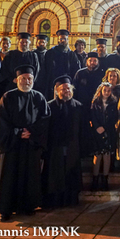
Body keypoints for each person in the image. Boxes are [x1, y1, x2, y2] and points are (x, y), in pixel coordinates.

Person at [0, 64, 50, 222]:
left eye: (29, 79)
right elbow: (1, 121)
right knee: (9, 176)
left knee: (30, 176)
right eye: (23, 79)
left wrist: (30, 132)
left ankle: (28, 206)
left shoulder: (39, 97)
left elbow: (45, 119)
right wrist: (18, 133)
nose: (27, 81)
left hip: (30, 143)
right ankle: (6, 209)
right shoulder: (7, 97)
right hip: (12, 144)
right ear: (16, 80)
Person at [41, 75, 82, 209]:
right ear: (57, 90)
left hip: (72, 147)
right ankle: (55, 200)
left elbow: (83, 129)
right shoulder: (49, 106)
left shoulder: (78, 106)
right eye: (63, 89)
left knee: (71, 172)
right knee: (55, 174)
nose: (66, 91)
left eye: (68, 88)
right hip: (55, 147)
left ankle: (70, 199)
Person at [89, 82, 119, 191]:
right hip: (97, 131)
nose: (106, 92)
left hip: (109, 131)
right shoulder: (95, 102)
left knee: (107, 155)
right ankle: (95, 179)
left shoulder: (113, 103)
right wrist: (97, 127)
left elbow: (114, 117)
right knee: (97, 155)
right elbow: (92, 116)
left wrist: (105, 127)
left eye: (109, 90)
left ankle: (105, 179)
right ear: (101, 91)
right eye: (104, 90)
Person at [0, 33, 40, 98]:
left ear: (29, 43)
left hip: (28, 86)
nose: (24, 44)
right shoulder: (10, 55)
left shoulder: (33, 56)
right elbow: (4, 70)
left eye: (26, 42)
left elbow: (36, 70)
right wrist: (12, 79)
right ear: (18, 43)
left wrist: (30, 80)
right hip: (13, 85)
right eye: (22, 42)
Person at [44, 30, 81, 100]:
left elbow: (76, 70)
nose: (63, 41)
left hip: (67, 82)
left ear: (67, 40)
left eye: (65, 39)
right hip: (52, 82)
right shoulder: (50, 53)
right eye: (61, 39)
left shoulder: (72, 54)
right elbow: (45, 68)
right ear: (58, 40)